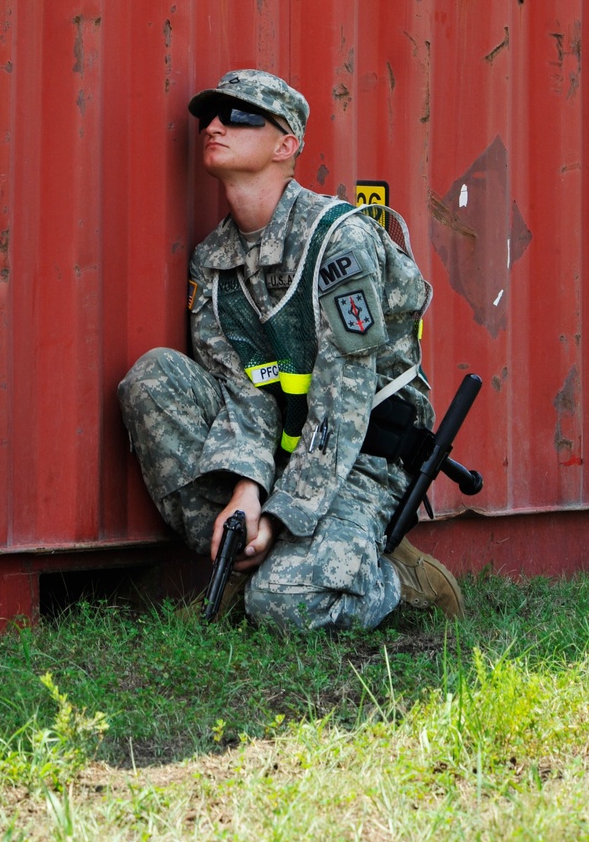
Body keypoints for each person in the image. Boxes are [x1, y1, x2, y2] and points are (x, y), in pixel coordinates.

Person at [118, 69, 463, 629]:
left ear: (287, 145)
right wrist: (247, 496)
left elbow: (340, 411)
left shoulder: (338, 241)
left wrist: (276, 521)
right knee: (154, 381)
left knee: (283, 606)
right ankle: (246, 562)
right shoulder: (214, 262)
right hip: (284, 456)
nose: (215, 125)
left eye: (242, 115)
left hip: (361, 460)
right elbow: (245, 394)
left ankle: (395, 576)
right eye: (210, 115)